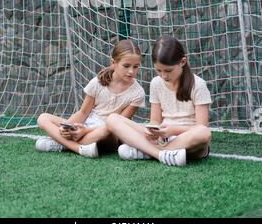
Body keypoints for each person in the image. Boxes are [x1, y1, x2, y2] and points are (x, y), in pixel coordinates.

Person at [106, 35, 211, 167]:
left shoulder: (199, 85)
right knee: (112, 119)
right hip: (163, 138)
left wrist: (172, 130)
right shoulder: (156, 83)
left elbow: (200, 126)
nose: (164, 75)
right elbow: (155, 120)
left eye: (168, 70)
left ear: (182, 62)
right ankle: (161, 154)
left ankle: (147, 151)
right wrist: (153, 130)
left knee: (204, 132)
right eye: (158, 70)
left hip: (187, 138)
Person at [35, 39, 145, 158]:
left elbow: (119, 125)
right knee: (43, 118)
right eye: (126, 66)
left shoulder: (138, 93)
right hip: (87, 125)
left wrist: (85, 131)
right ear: (114, 63)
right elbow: (83, 113)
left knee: (106, 129)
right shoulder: (97, 82)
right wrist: (67, 127)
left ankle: (64, 144)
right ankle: (79, 147)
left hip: (110, 134)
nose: (131, 71)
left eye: (136, 67)